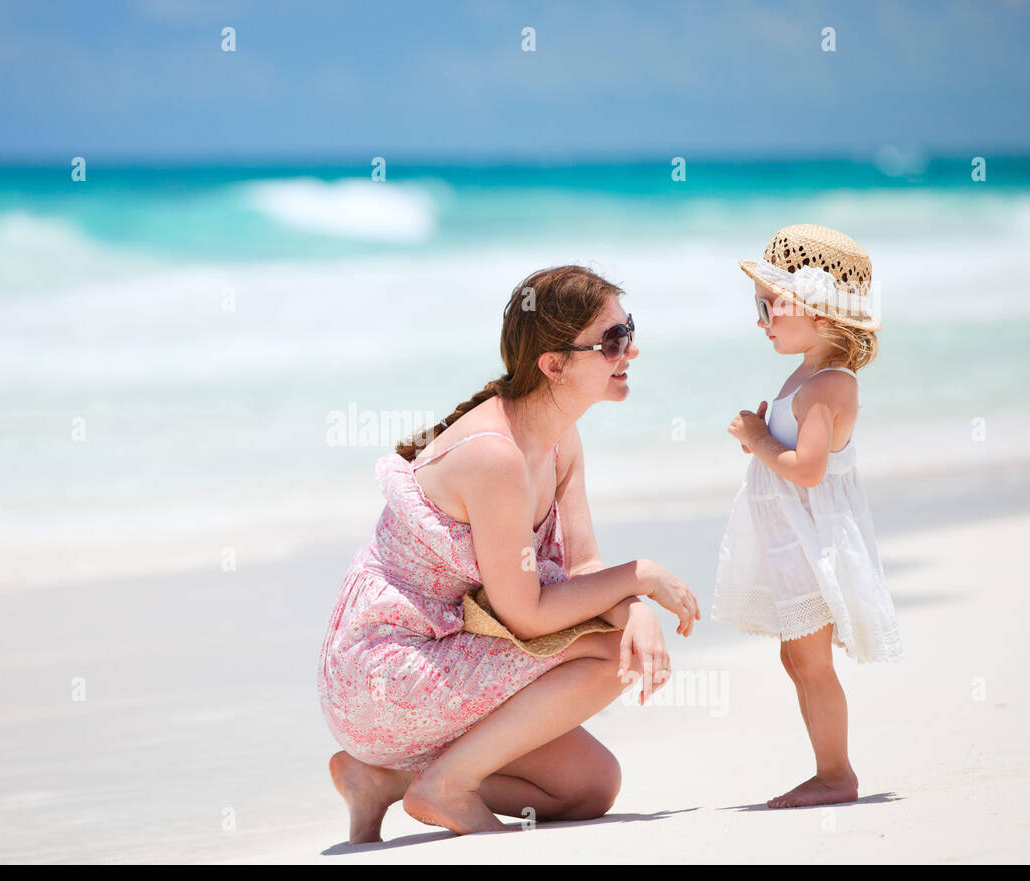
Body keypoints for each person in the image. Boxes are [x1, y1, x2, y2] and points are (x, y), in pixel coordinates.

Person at [317, 264, 700, 842]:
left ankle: (385, 778)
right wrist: (640, 578)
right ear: (553, 364)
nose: (632, 350)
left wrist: (634, 603)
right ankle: (446, 786)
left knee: (590, 787)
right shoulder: (494, 455)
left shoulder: (559, 436)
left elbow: (584, 571)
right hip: (383, 674)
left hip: (447, 656)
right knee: (609, 652)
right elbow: (527, 613)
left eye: (630, 331)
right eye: (614, 340)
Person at [712, 224, 903, 810]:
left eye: (772, 306)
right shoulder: (807, 377)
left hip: (812, 541)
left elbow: (809, 470)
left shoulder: (830, 384)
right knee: (796, 656)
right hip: (790, 538)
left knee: (810, 661)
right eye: (759, 308)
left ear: (820, 312)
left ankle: (835, 774)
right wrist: (762, 442)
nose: (763, 320)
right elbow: (792, 457)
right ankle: (829, 769)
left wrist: (755, 437)